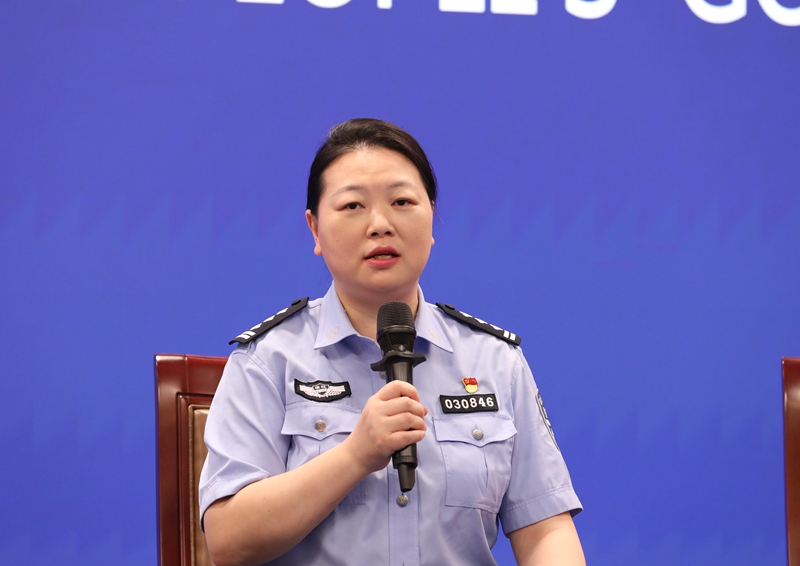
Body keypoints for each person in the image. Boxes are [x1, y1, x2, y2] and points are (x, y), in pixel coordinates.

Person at [199, 118, 585, 566]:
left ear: (432, 218)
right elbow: (228, 540)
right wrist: (354, 456)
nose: (380, 224)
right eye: (353, 206)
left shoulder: (495, 361)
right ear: (315, 229)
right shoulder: (267, 361)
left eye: (402, 201)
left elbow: (545, 530)